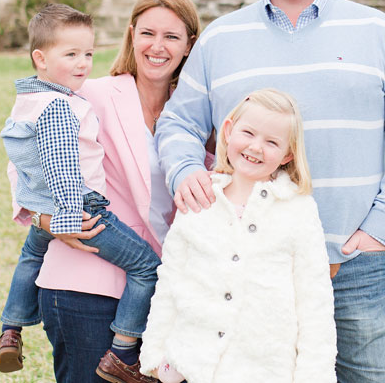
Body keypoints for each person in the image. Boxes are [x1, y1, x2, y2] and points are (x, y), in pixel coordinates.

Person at [156, 0, 385, 383]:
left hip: (350, 266)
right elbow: (178, 122)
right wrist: (183, 169)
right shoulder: (222, 39)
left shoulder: (376, 32)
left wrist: (379, 231)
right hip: (245, 268)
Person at [7, 0, 204, 383]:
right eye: (148, 33)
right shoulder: (90, 93)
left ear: (189, 46)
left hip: (163, 288)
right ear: (132, 35)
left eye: (172, 37)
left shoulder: (196, 111)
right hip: (83, 278)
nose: (157, 46)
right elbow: (25, 159)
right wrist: (46, 220)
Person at [139, 89, 336, 383]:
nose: (256, 147)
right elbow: (170, 282)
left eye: (272, 142)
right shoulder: (199, 199)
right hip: (192, 370)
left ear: (288, 154)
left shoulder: (298, 209)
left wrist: (313, 377)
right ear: (229, 131)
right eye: (249, 133)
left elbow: (314, 303)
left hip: (265, 371)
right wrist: (155, 357)